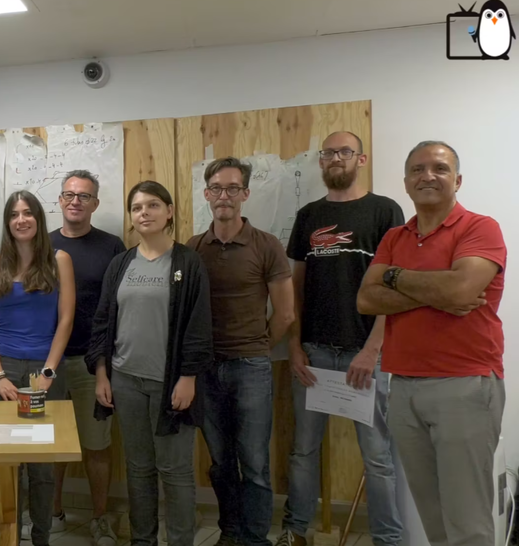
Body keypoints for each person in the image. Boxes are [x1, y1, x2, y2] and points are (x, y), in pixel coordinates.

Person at [358, 141, 506, 546]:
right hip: (403, 385)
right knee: (433, 515)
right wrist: (438, 289)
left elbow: (461, 291)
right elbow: (366, 299)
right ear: (406, 182)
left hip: (464, 384)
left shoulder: (480, 227)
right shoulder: (395, 236)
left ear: (457, 180)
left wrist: (394, 278)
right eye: (417, 169)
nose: (428, 176)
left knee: (467, 521)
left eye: (440, 168)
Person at [277, 131, 404, 546]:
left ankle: (387, 540)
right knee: (303, 451)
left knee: (378, 457)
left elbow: (393, 288)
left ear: (360, 159)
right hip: (314, 353)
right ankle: (296, 531)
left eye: (345, 152)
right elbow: (296, 286)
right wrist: (294, 346)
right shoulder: (309, 215)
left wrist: (372, 349)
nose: (336, 158)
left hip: (365, 355)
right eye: (329, 152)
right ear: (321, 161)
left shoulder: (385, 210)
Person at [88, 181, 213, 546]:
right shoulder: (121, 263)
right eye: (137, 207)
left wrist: (188, 377)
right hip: (125, 381)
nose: (144, 212)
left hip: (169, 384)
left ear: (169, 212)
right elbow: (102, 321)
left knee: (174, 471)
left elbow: (198, 324)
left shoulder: (187, 262)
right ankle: (143, 540)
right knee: (138, 468)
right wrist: (101, 374)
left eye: (153, 205)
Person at [188, 158, 294, 546]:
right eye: (217, 188)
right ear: (206, 194)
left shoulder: (267, 245)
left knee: (254, 463)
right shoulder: (194, 248)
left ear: (245, 194)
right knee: (220, 462)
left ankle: (254, 539)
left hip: (251, 367)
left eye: (233, 188)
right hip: (205, 369)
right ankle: (229, 532)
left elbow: (285, 313)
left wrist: (257, 347)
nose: (224, 196)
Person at [0, 190, 76, 546]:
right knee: (5, 460)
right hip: (3, 369)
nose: (21, 220)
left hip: (43, 371)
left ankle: (41, 537)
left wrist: (48, 373)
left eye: (28, 213)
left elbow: (66, 320)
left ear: (38, 218)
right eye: (14, 214)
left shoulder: (59, 260)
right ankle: (11, 536)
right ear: (7, 222)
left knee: (41, 463)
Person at [44, 170, 126, 546]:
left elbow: (118, 308)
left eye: (84, 196)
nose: (75, 201)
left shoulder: (112, 247)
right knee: (50, 444)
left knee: (96, 444)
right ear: (60, 200)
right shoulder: (43, 245)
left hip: (92, 364)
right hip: (47, 364)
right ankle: (53, 513)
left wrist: (105, 363)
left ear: (95, 203)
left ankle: (99, 518)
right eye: (69, 194)